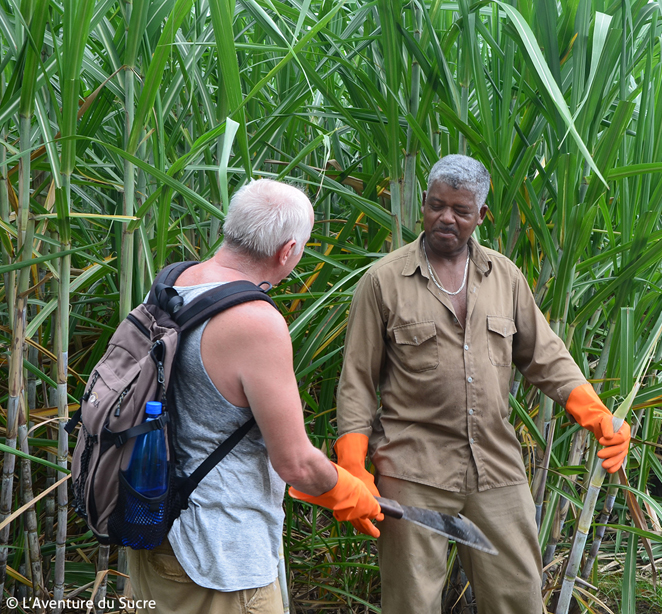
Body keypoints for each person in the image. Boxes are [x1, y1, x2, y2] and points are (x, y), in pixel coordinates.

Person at [334, 155, 631, 614]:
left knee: (518, 597)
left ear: (482, 216)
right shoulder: (384, 281)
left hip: (496, 467)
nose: (445, 218)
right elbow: (356, 380)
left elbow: (545, 355)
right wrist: (352, 466)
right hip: (412, 470)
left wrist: (598, 416)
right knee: (411, 602)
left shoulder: (505, 277)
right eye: (436, 205)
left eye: (460, 209)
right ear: (424, 205)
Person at [127, 178, 382, 614]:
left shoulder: (172, 284)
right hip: (218, 556)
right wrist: (347, 490)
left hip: (153, 527)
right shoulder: (255, 322)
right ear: (286, 252)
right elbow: (295, 463)